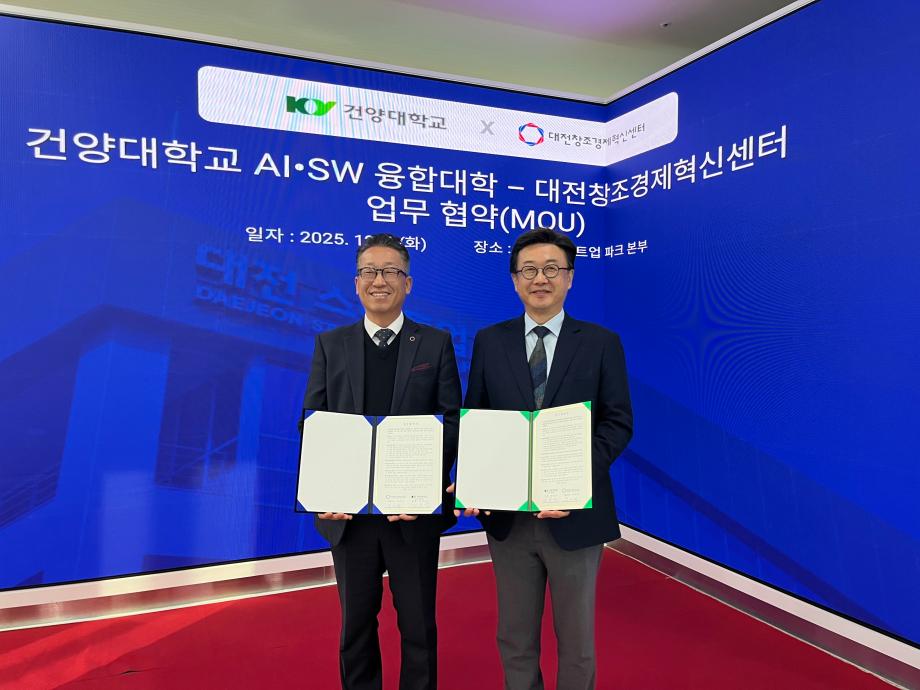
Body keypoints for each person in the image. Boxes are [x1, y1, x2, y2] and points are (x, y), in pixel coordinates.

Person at [459, 228, 633, 690]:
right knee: (515, 636)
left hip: (575, 514)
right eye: (530, 270)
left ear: (570, 278)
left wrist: (573, 479)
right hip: (508, 518)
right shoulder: (490, 341)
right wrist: (472, 478)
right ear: (515, 280)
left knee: (576, 642)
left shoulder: (600, 342)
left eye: (552, 269)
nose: (541, 279)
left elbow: (617, 423)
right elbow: (478, 417)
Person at [303, 233, 461, 690]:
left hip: (412, 513)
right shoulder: (331, 344)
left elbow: (452, 420)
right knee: (355, 627)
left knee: (418, 626)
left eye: (391, 271)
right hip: (350, 517)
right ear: (356, 283)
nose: (380, 280)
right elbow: (313, 423)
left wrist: (424, 485)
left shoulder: (434, 343)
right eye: (370, 271)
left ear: (407, 283)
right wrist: (324, 490)